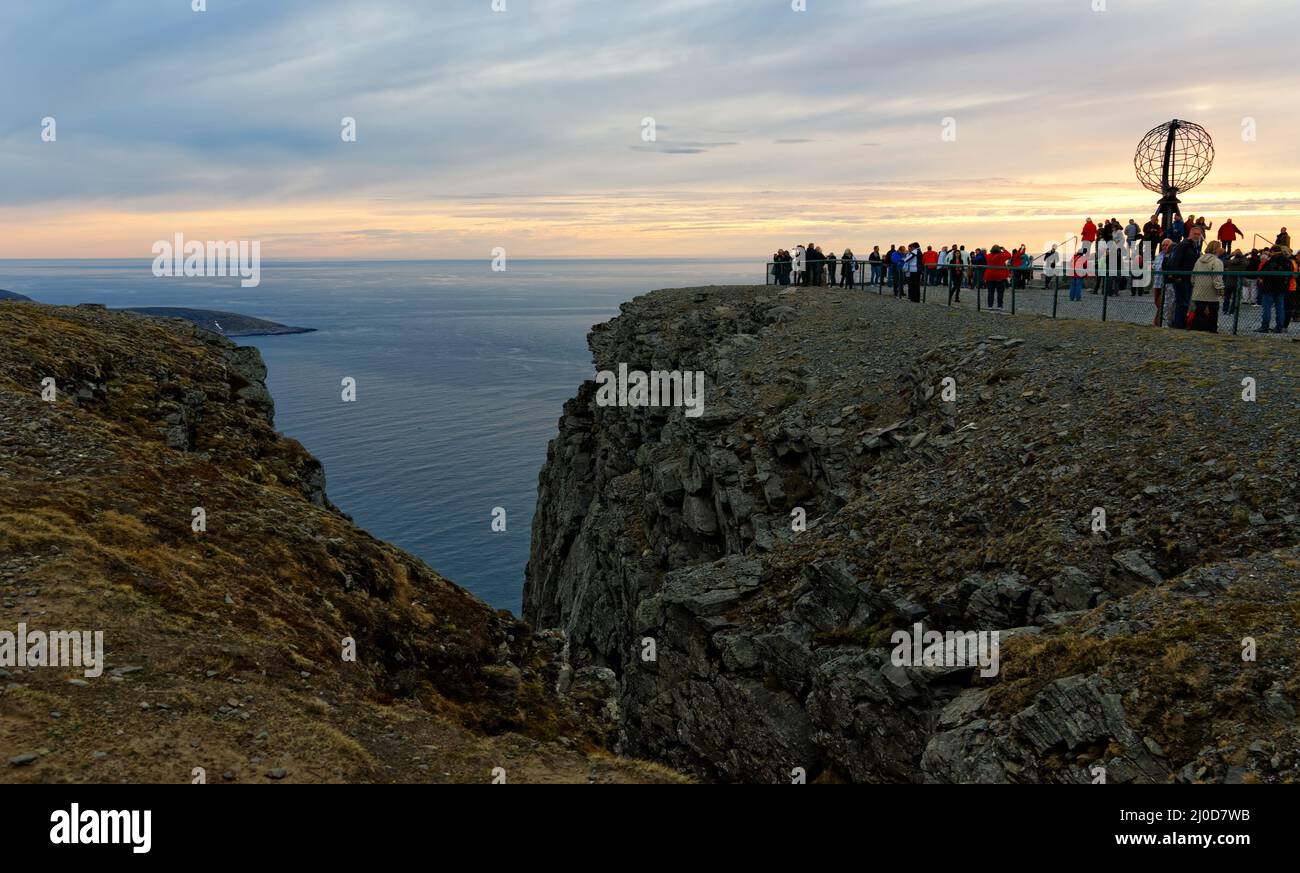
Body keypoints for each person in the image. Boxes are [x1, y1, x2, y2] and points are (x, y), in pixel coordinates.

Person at [1165, 225, 1203, 328]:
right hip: (1182, 279)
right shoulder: (1184, 245)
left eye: (1198, 235)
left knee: (1185, 302)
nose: (1197, 236)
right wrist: (1176, 276)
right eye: (1195, 234)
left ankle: (1181, 323)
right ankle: (1179, 324)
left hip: (1188, 279)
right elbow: (1175, 261)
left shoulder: (1194, 247)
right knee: (1182, 303)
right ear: (1190, 234)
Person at [1256, 245, 1292, 333]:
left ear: (1272, 252)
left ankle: (1265, 326)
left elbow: (1262, 272)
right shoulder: (1287, 261)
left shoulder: (1271, 261)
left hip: (1269, 287)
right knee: (1280, 308)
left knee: (1267, 308)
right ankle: (1279, 327)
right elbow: (1290, 274)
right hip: (1281, 288)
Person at [1190, 241, 1225, 332]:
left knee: (1199, 312)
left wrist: (1195, 285)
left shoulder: (1199, 260)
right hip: (1212, 293)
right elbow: (1217, 277)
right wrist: (1220, 290)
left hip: (1199, 291)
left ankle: (1196, 329)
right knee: (1213, 313)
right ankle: (1212, 330)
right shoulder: (1217, 262)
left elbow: (1193, 275)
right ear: (1217, 249)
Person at [984, 244, 1012, 310]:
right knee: (1000, 292)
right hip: (1000, 276)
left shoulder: (988, 256)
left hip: (989, 276)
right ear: (999, 250)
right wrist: (1004, 249)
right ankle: (999, 306)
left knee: (990, 292)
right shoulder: (1002, 256)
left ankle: (990, 306)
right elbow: (1009, 255)